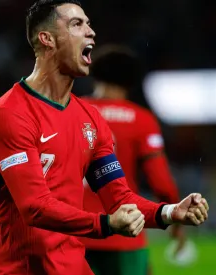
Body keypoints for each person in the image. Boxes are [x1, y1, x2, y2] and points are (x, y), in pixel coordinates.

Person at [0, 1, 209, 274]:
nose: (91, 32)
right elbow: (34, 208)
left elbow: (119, 196)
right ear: (47, 39)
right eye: (77, 24)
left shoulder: (91, 120)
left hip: (72, 266)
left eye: (88, 23)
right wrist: (106, 224)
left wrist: (169, 212)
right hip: (18, 268)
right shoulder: (10, 115)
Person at [80, 45, 188, 275]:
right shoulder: (141, 120)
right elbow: (161, 182)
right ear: (131, 81)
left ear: (95, 74)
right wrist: (175, 218)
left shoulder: (70, 111)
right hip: (125, 233)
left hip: (75, 233)